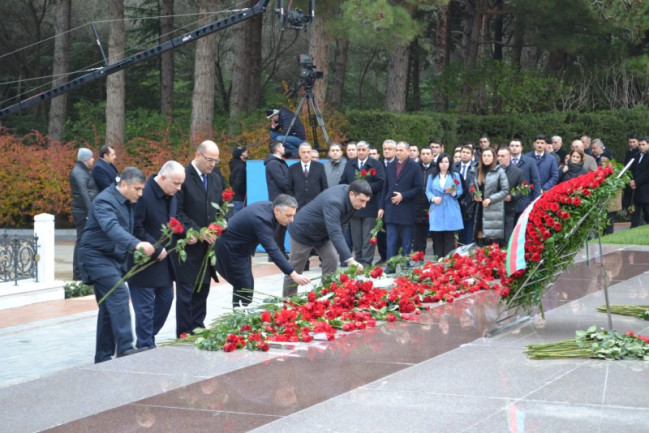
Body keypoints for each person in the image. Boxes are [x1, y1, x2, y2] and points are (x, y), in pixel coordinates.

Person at [78, 166, 154, 363]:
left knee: (108, 306)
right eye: (137, 189)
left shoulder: (128, 201)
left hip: (112, 259)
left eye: (142, 189)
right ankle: (125, 348)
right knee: (119, 294)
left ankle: (103, 357)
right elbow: (112, 228)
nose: (140, 193)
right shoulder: (104, 201)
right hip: (95, 257)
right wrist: (136, 244)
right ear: (123, 184)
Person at [128, 161, 186, 349]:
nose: (179, 188)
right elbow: (135, 226)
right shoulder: (143, 194)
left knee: (166, 298)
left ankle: (148, 336)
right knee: (144, 308)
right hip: (143, 260)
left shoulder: (172, 195)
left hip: (163, 260)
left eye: (180, 184)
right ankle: (145, 344)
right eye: (176, 183)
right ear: (163, 178)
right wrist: (154, 247)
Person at [217, 195, 311, 307]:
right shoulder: (262, 220)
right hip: (229, 249)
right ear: (277, 210)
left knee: (245, 286)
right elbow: (272, 249)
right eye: (288, 216)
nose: (292, 220)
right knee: (244, 286)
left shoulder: (270, 209)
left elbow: (276, 241)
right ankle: (240, 316)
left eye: (293, 215)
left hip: (242, 249)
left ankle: (241, 314)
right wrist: (293, 273)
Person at [282, 181, 371, 297]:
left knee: (332, 259)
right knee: (295, 269)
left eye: (366, 201)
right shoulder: (334, 201)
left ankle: (326, 294)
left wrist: (345, 253)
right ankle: (288, 301)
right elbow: (335, 231)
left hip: (323, 233)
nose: (364, 205)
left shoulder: (353, 200)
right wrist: (350, 260)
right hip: (303, 231)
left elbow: (341, 225)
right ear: (352, 194)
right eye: (362, 201)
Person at [173, 140, 224, 338]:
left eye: (216, 161)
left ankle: (198, 328)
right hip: (190, 245)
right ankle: (184, 333)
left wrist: (217, 227)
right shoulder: (183, 177)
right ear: (198, 155)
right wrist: (197, 231)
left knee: (203, 289)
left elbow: (220, 209)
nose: (213, 164)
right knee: (186, 292)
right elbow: (178, 212)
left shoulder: (215, 179)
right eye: (210, 160)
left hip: (207, 247)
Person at [340, 140, 385, 266]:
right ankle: (358, 260)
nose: (360, 152)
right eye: (358, 149)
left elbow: (381, 182)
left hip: (370, 206)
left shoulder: (376, 164)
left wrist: (365, 189)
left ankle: (366, 261)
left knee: (368, 236)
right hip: (354, 207)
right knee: (356, 237)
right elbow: (343, 182)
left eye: (363, 150)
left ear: (368, 151)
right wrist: (352, 191)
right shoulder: (349, 164)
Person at [378, 141, 422, 270]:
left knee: (406, 240)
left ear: (408, 151)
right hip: (391, 208)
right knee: (391, 239)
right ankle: (390, 266)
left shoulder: (414, 166)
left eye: (401, 150)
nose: (398, 152)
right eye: (397, 150)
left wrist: (403, 196)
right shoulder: (390, 166)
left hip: (406, 208)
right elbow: (385, 188)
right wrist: (381, 207)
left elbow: (418, 188)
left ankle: (405, 264)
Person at [426, 153, 463, 258]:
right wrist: (433, 198)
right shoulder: (432, 176)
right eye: (441, 162)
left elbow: (460, 190)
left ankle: (448, 263)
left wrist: (453, 192)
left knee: (449, 237)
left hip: (450, 207)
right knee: (437, 237)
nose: (444, 164)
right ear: (438, 163)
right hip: (437, 207)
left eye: (446, 162)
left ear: (449, 163)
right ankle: (438, 262)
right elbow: (428, 190)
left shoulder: (455, 176)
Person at [69, 147, 98, 281]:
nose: (93, 159)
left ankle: (81, 271)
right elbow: (84, 194)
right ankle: (78, 273)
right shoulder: (79, 172)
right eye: (91, 157)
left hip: (83, 211)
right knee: (81, 241)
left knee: (84, 241)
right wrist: (90, 212)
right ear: (86, 159)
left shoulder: (83, 171)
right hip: (82, 212)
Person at [471, 148, 508, 246]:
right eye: (484, 155)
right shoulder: (476, 169)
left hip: (494, 209)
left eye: (489, 156)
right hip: (479, 207)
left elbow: (505, 190)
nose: (486, 158)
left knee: (492, 236)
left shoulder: (499, 171)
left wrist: (491, 199)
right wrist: (474, 195)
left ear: (494, 157)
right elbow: (471, 186)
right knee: (479, 233)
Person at [264, 141, 292, 257]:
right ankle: (276, 253)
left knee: (282, 227)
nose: (284, 148)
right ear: (277, 149)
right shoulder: (273, 163)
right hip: (279, 199)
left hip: (282, 198)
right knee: (279, 227)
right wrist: (291, 192)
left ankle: (279, 250)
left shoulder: (278, 162)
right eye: (282, 146)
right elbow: (282, 181)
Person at [288, 142, 328, 211]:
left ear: (311, 153)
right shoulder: (292, 168)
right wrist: (294, 200)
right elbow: (289, 188)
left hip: (316, 206)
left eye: (308, 152)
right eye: (303, 152)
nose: (306, 155)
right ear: (299, 153)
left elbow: (324, 186)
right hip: (298, 207)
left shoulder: (320, 167)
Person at [509, 139, 541, 223]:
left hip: (524, 200)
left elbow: (536, 181)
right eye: (512, 146)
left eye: (517, 146)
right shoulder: (505, 161)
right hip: (508, 200)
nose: (514, 148)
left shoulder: (530, 162)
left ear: (521, 148)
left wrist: (535, 201)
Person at [497, 147, 524, 243]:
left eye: (502, 156)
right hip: (493, 210)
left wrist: (511, 197)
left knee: (507, 238)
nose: (499, 158)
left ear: (509, 157)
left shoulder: (517, 172)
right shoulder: (493, 170)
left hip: (508, 209)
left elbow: (523, 190)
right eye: (498, 156)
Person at [453, 144, 478, 245]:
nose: (464, 155)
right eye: (463, 152)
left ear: (472, 155)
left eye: (467, 153)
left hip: (470, 203)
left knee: (468, 230)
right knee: (456, 231)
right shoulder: (454, 166)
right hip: (456, 201)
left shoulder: (476, 167)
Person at [413, 147, 436, 254]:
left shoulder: (436, 169)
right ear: (420, 155)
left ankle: (438, 257)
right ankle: (419, 257)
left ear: (432, 155)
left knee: (436, 234)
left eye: (428, 154)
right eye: (423, 154)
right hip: (417, 206)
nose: (425, 156)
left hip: (433, 206)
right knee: (418, 235)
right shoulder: (415, 167)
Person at [630, 137, 649, 228]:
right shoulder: (636, 155)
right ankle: (634, 227)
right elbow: (632, 169)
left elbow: (647, 174)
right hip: (636, 189)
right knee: (635, 212)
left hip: (646, 189)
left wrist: (636, 182)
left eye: (643, 144)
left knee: (647, 211)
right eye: (640, 145)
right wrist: (631, 181)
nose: (641, 147)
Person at [228, 146, 248, 215]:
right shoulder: (241, 167)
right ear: (241, 155)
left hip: (237, 197)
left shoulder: (236, 166)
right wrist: (248, 190)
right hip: (241, 198)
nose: (246, 151)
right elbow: (238, 184)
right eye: (244, 151)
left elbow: (231, 180)